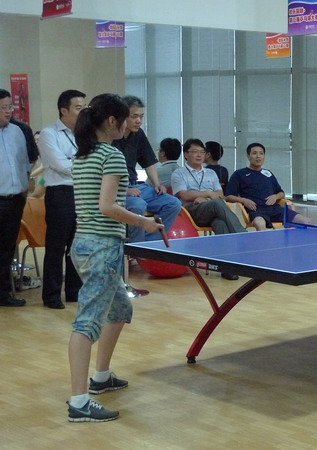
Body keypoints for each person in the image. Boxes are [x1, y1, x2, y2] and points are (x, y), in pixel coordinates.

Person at [67, 93, 163, 422]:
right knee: (87, 323)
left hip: (83, 244)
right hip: (101, 247)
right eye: (126, 119)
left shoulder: (83, 154)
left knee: (120, 309)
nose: (130, 124)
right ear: (112, 122)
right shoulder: (111, 155)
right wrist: (143, 222)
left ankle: (101, 377)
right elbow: (107, 207)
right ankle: (79, 402)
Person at [38, 89, 87, 309]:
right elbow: (60, 165)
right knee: (56, 247)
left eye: (84, 107)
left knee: (77, 245)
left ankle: (74, 292)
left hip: (82, 193)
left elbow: (89, 161)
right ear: (63, 110)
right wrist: (82, 164)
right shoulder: (49, 134)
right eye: (78, 108)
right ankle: (51, 295)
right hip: (60, 194)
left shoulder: (85, 133)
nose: (83, 111)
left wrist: (74, 161)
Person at [171, 139, 245, 280]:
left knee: (220, 223)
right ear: (186, 154)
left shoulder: (211, 173)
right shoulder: (179, 173)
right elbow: (184, 195)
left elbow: (220, 194)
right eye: (195, 152)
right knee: (216, 204)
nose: (199, 155)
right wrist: (207, 194)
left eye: (202, 152)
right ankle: (243, 237)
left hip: (212, 210)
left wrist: (205, 199)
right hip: (191, 212)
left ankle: (227, 268)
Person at [111, 95, 180, 243]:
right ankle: (136, 247)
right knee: (138, 205)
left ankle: (148, 243)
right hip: (118, 189)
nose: (139, 121)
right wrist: (124, 190)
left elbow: (148, 162)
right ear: (122, 116)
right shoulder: (110, 136)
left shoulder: (139, 134)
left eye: (141, 116)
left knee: (173, 203)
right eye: (134, 116)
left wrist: (157, 184)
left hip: (136, 186)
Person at [225, 142, 310, 230]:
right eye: (254, 153)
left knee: (305, 221)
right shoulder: (239, 174)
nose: (258, 156)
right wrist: (244, 200)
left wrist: (275, 196)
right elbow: (228, 197)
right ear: (248, 156)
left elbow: (281, 193)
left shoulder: (268, 173)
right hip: (256, 211)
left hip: (275, 209)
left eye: (261, 153)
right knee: (260, 224)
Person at [0, 89, 29, 307]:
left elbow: (25, 165)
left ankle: (3, 294)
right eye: (3, 107)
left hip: (15, 199)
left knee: (7, 248)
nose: (8, 111)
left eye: (10, 106)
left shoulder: (18, 131)